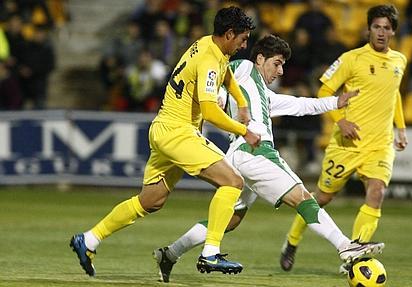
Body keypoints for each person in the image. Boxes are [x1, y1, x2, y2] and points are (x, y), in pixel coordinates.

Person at [152, 34, 384, 283]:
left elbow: (299, 105)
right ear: (260, 58)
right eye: (277, 63)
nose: (281, 70)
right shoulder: (244, 67)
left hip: (240, 157)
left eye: (283, 64)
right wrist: (219, 97)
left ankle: (170, 253)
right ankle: (345, 246)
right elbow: (222, 79)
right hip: (256, 152)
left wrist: (335, 102)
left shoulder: (263, 94)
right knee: (302, 197)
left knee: (228, 221)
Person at [69, 6, 261, 277]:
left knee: (151, 200)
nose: (244, 45)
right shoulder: (209, 58)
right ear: (229, 34)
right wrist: (244, 130)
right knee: (233, 182)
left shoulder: (207, 45)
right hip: (178, 132)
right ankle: (210, 253)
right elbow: (210, 111)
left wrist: (241, 102)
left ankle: (89, 239)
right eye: (242, 39)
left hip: (163, 128)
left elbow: (225, 72)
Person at [280, 4, 408, 274]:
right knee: (322, 198)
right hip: (347, 144)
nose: (381, 32)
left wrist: (401, 127)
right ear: (368, 29)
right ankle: (292, 241)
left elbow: (393, 93)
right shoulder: (351, 58)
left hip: (380, 145)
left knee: (377, 192)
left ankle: (357, 253)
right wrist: (341, 120)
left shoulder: (399, 61)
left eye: (387, 27)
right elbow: (324, 88)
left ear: (393, 31)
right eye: (376, 27)